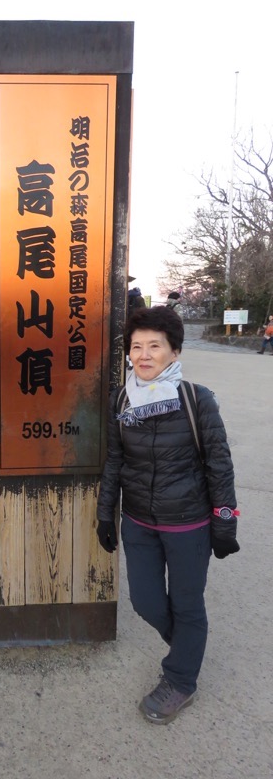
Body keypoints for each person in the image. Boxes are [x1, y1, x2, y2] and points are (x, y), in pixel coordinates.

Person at [96, 305, 240, 724]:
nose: (143, 355)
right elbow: (115, 461)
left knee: (187, 604)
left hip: (188, 524)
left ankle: (180, 681)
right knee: (145, 600)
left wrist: (224, 521)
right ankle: (188, 648)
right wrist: (106, 514)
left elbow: (219, 464)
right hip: (139, 521)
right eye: (136, 347)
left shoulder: (197, 400)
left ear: (174, 352)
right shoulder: (122, 400)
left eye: (154, 346)